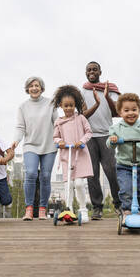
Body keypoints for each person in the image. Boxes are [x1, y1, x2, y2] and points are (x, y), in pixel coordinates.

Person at [107, 93, 140, 223]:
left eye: (134, 110)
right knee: (126, 189)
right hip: (124, 166)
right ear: (120, 112)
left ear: (139, 110)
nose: (131, 113)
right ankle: (127, 212)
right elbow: (109, 144)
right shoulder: (116, 128)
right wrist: (113, 140)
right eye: (126, 110)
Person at [12, 77, 58, 221]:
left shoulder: (51, 104)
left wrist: (61, 139)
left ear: (41, 88)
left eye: (37, 85)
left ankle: (43, 208)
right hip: (30, 145)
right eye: (31, 86)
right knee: (31, 173)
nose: (34, 88)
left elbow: (57, 123)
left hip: (49, 145)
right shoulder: (23, 107)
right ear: (27, 89)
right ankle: (29, 209)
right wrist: (16, 141)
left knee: (45, 176)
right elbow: (20, 127)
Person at [81, 61, 122, 220]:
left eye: (95, 69)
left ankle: (119, 205)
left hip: (107, 134)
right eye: (89, 70)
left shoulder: (110, 89)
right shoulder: (82, 91)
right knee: (92, 174)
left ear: (100, 72)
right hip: (89, 136)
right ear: (86, 73)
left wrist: (105, 97)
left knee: (111, 170)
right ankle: (97, 208)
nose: (92, 72)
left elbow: (117, 111)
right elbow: (82, 114)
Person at [52, 85, 94, 223]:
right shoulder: (59, 122)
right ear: (60, 106)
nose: (69, 108)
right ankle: (68, 209)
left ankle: (83, 209)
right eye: (66, 106)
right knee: (68, 185)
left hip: (79, 155)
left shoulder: (81, 118)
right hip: (66, 156)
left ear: (75, 105)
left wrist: (82, 141)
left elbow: (89, 132)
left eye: (71, 105)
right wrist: (60, 141)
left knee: (79, 184)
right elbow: (55, 137)